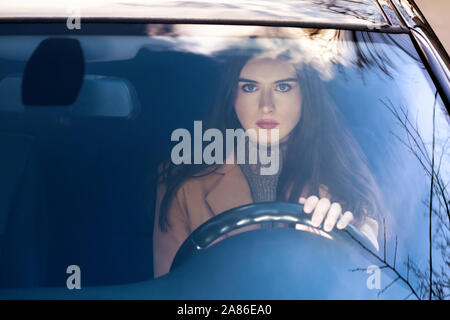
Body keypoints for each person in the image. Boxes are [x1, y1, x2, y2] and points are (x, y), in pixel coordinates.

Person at [153, 50, 382, 278]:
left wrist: (351, 250)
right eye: (250, 87)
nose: (266, 106)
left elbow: (379, 277)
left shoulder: (345, 178)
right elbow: (172, 292)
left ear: (305, 95)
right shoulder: (182, 184)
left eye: (282, 87)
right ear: (232, 96)